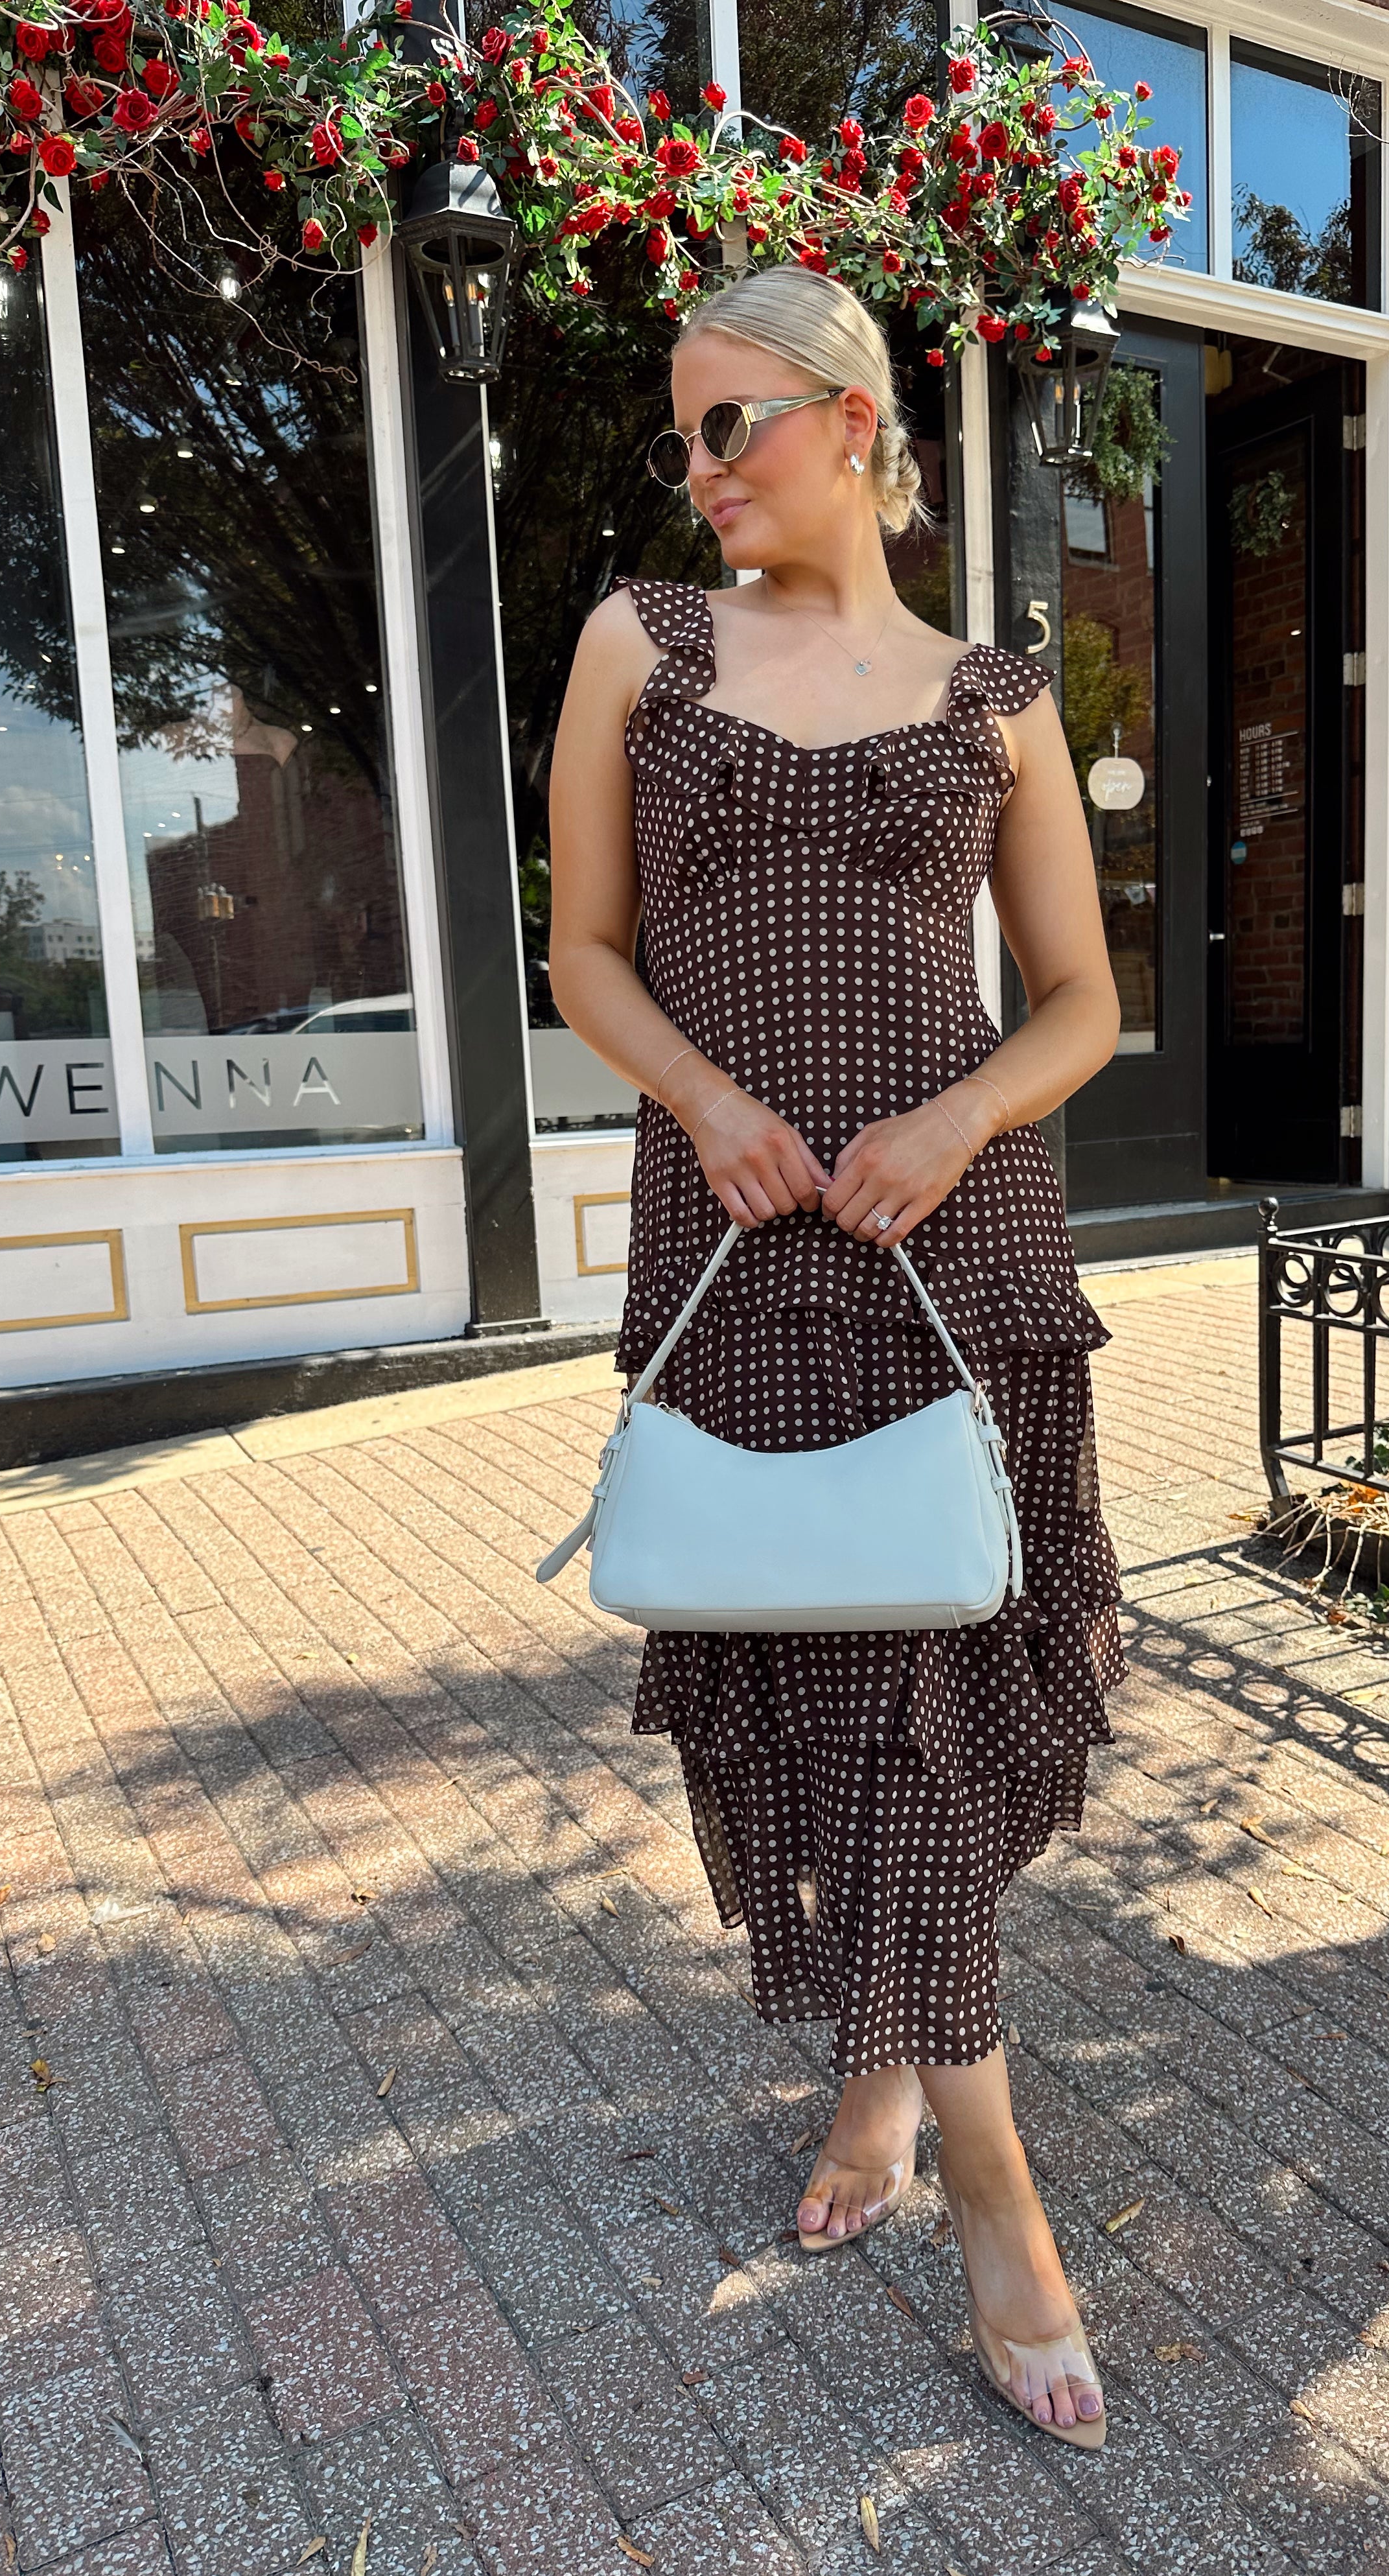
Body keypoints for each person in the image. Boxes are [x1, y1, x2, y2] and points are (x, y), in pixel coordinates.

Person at [546, 266, 1126, 2446]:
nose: (699, 476)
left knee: (932, 1699)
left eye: (736, 428)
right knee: (834, 1688)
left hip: (951, 1251)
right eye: (682, 436)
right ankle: (994, 2184)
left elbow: (1077, 999)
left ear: (862, 421)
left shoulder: (994, 692)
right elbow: (582, 947)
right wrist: (703, 1105)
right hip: (738, 1238)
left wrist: (962, 1113)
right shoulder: (645, 646)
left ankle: (915, 2114)